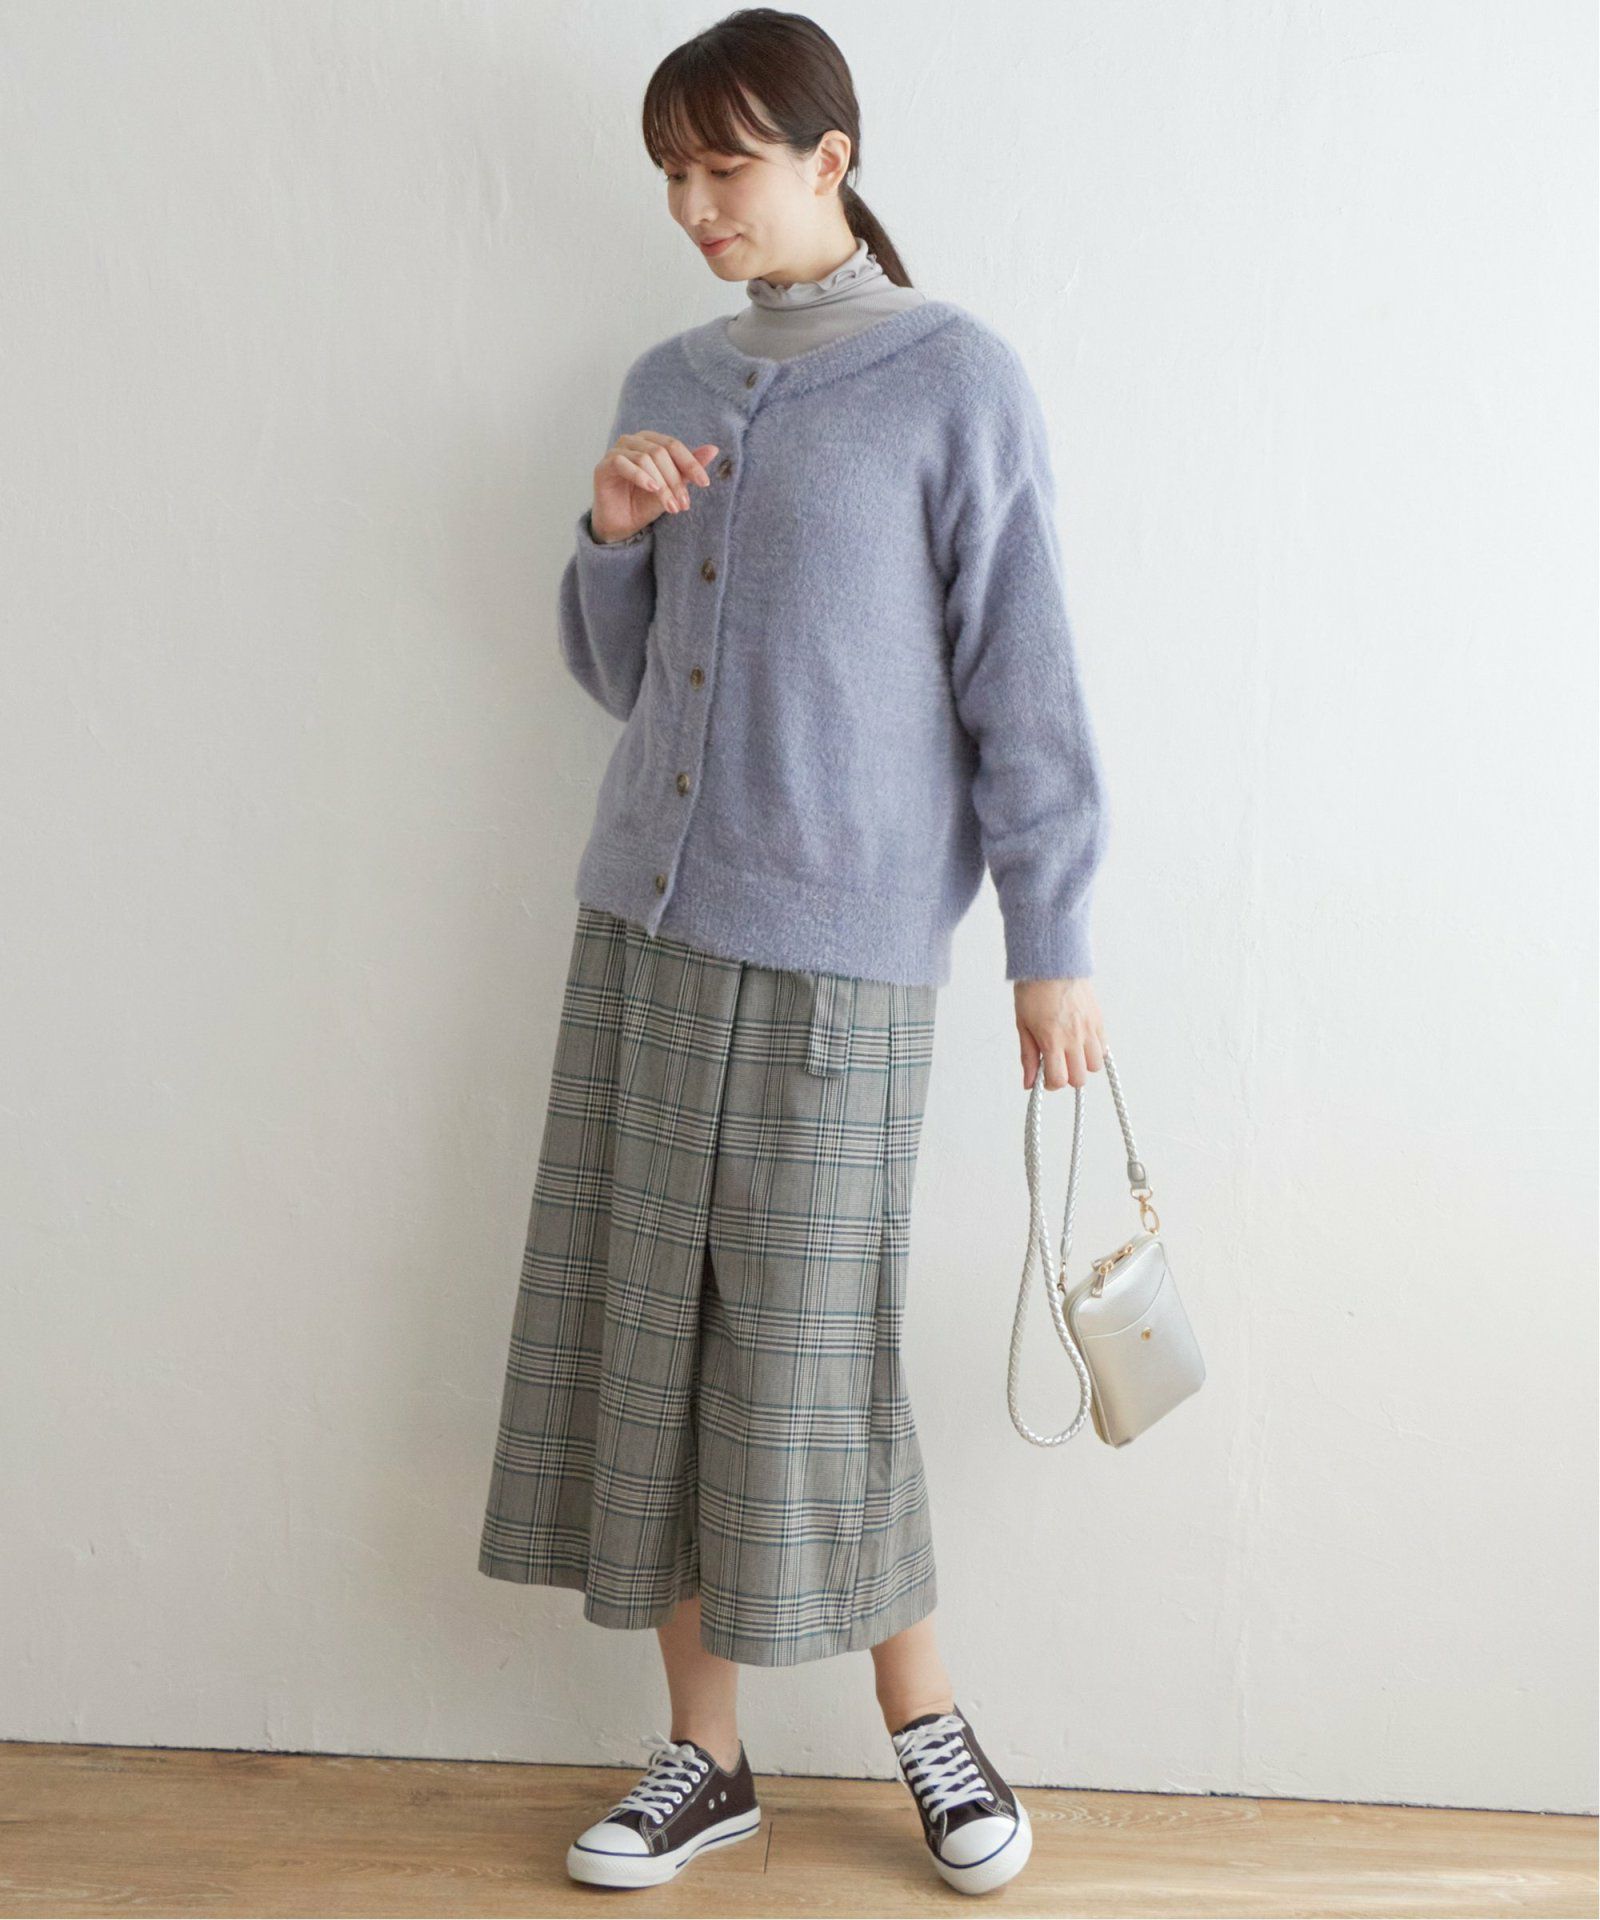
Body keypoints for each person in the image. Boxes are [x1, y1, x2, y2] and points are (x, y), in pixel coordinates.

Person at [477, 6, 1109, 1895]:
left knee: (818, 1352)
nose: (693, 204)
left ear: (831, 159)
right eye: (670, 172)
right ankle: (707, 1756)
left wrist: (1054, 938)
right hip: (648, 929)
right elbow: (625, 678)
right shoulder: (668, 376)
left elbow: (1024, 679)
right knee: (654, 1336)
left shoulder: (954, 381)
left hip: (844, 959)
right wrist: (609, 532)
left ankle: (930, 1727)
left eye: (724, 164)